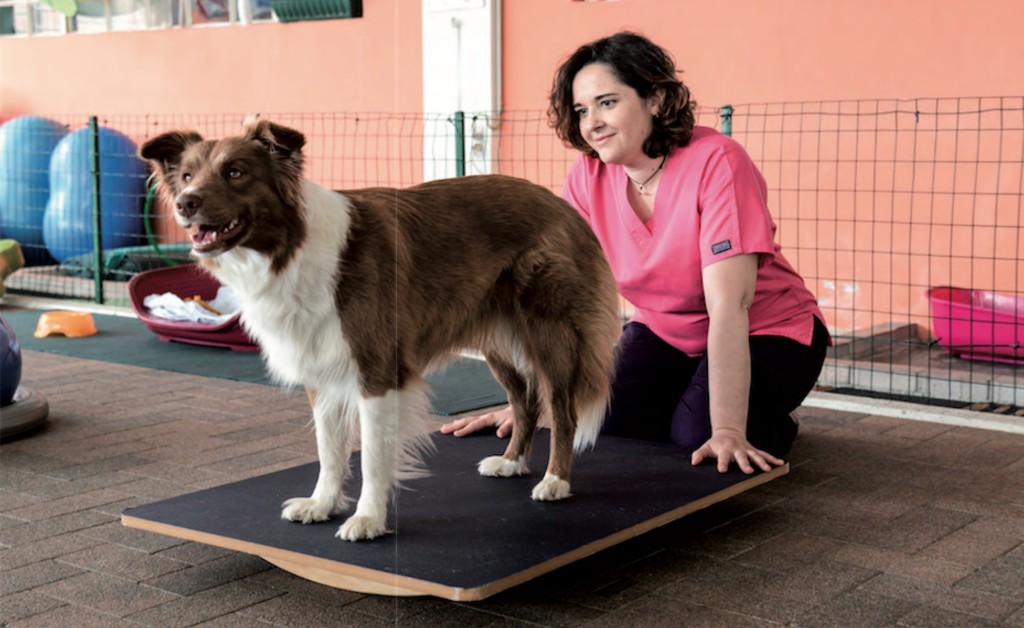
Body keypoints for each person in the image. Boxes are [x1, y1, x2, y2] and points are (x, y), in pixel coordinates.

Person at [442, 31, 829, 474]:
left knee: (698, 438)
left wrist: (728, 429)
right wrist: (535, 408)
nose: (592, 123)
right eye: (582, 110)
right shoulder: (587, 176)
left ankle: (774, 420)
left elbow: (730, 306)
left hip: (767, 330)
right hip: (666, 332)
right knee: (601, 421)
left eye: (607, 103)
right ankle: (693, 396)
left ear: (657, 100)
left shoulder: (718, 161)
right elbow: (564, 303)